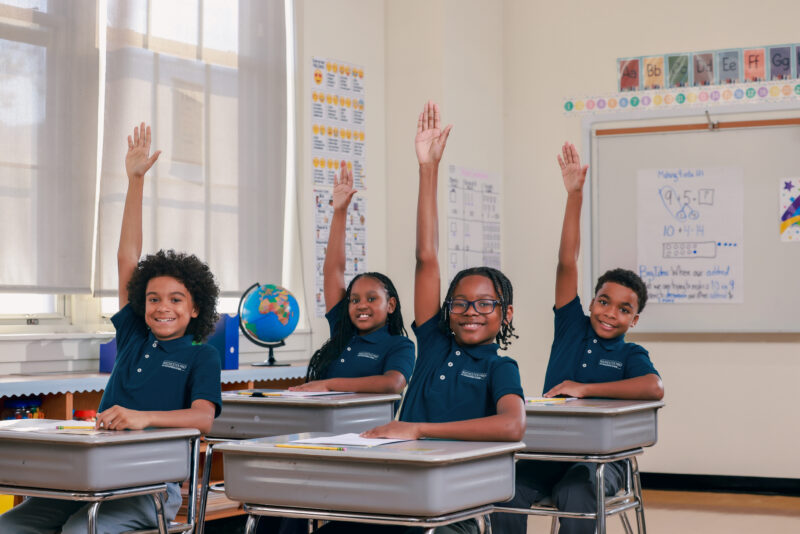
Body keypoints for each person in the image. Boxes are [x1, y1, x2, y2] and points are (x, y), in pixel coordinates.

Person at [0, 123, 223, 533]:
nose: (163, 307)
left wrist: (143, 418)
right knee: (10, 526)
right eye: (153, 299)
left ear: (195, 309)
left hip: (151, 487)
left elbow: (204, 419)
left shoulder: (201, 355)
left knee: (79, 530)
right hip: (91, 475)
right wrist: (135, 180)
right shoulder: (135, 335)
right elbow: (127, 258)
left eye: (176, 300)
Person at [314, 102, 525, 534]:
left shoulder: (500, 367)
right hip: (398, 490)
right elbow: (426, 257)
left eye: (485, 304)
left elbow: (512, 425)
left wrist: (418, 430)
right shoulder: (434, 343)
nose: (470, 312)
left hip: (453, 503)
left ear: (505, 315)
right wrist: (427, 169)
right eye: (460, 303)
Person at [491, 142, 664, 534]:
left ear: (634, 319)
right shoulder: (571, 326)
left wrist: (584, 389)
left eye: (623, 309)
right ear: (591, 302)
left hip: (602, 462)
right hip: (548, 452)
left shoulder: (631, 354)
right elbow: (566, 262)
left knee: (576, 491)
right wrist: (574, 196)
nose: (610, 313)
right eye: (604, 302)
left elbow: (654, 387)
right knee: (506, 490)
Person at [289, 160, 415, 394]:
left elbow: (393, 383)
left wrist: (328, 385)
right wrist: (340, 211)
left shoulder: (399, 345)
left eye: (371, 299)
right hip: (323, 417)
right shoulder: (342, 331)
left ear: (391, 305)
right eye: (354, 300)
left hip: (366, 420)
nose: (361, 305)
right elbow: (333, 271)